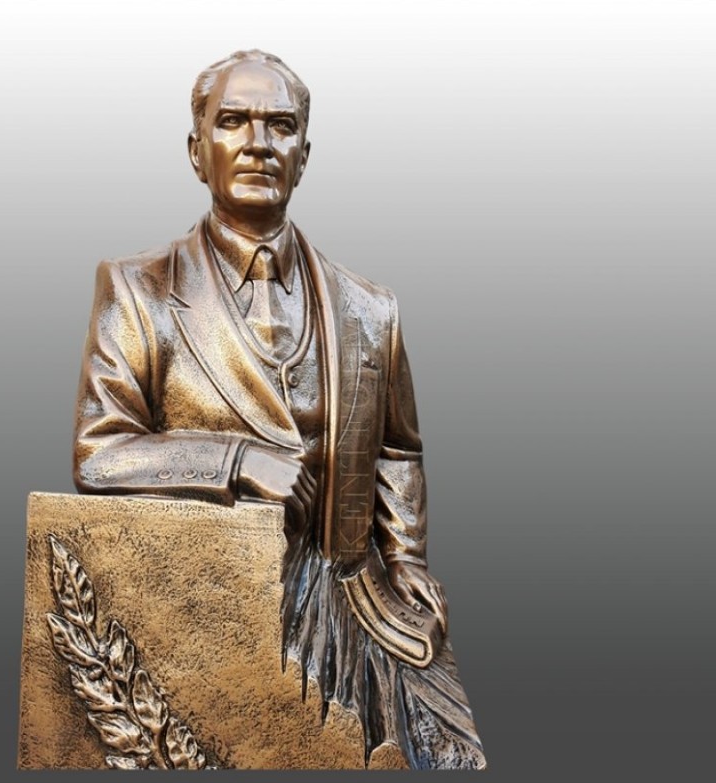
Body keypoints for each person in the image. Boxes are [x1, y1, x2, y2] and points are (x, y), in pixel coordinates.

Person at [73, 50, 485, 769]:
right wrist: (235, 460)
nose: (258, 143)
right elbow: (98, 453)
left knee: (437, 750)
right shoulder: (138, 291)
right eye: (233, 121)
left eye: (280, 126)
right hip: (212, 600)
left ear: (304, 156)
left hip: (350, 593)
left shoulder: (369, 309)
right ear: (197, 151)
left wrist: (405, 556)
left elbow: (397, 448)